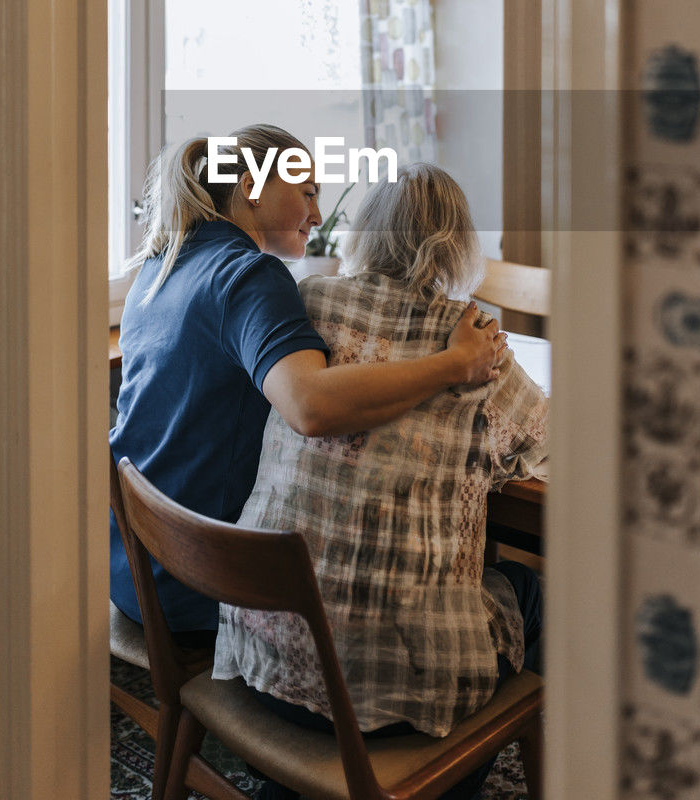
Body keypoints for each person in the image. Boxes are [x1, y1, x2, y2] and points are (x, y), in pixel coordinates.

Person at [213, 163, 548, 799]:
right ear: (456, 245)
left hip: (262, 663)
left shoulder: (309, 304)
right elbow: (550, 443)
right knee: (532, 596)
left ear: (366, 231)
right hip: (385, 697)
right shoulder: (475, 342)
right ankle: (453, 777)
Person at [110, 127, 507, 645]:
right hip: (205, 588)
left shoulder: (161, 264)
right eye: (308, 193)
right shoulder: (249, 275)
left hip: (136, 569)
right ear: (252, 188)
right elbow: (310, 406)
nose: (318, 217)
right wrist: (455, 363)